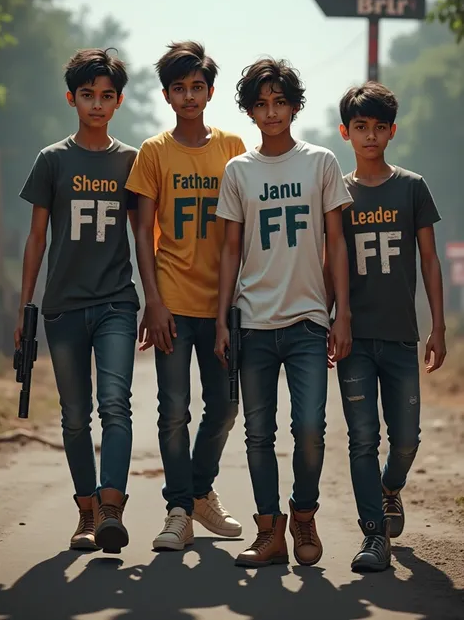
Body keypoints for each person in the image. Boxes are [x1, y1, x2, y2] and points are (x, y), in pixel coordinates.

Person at [214, 58, 352, 568]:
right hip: (252, 322)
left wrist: (343, 314)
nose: (271, 112)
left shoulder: (321, 162)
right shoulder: (239, 170)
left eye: (280, 102)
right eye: (261, 103)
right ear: (250, 111)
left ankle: (304, 515)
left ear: (295, 105)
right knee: (257, 434)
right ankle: (268, 531)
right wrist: (221, 317)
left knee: (311, 428)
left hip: (309, 321)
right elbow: (230, 250)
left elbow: (336, 244)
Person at [16, 48, 140, 554]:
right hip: (63, 306)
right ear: (72, 98)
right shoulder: (52, 159)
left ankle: (112, 509)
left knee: (116, 405)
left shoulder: (131, 161)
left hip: (116, 302)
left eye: (106, 96)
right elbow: (36, 238)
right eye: (87, 95)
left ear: (118, 102)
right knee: (73, 415)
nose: (96, 103)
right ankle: (85, 513)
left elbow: (145, 236)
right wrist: (26, 309)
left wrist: (154, 300)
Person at [125, 41, 244, 552]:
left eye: (197, 87)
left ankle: (200, 492)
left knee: (223, 407)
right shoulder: (154, 152)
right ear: (168, 95)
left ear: (210, 92)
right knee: (172, 410)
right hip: (172, 299)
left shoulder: (234, 148)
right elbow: (143, 231)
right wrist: (152, 300)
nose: (189, 95)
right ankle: (178, 509)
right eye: (180, 88)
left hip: (223, 305)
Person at [331, 81, 446, 573]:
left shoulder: (412, 186)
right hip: (354, 338)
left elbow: (429, 260)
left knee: (406, 438)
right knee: (362, 439)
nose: (370, 136)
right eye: (361, 127)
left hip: (401, 335)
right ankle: (374, 535)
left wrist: (438, 327)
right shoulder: (336, 190)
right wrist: (334, 318)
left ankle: (389, 488)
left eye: (379, 127)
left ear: (392, 131)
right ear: (345, 132)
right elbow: (327, 259)